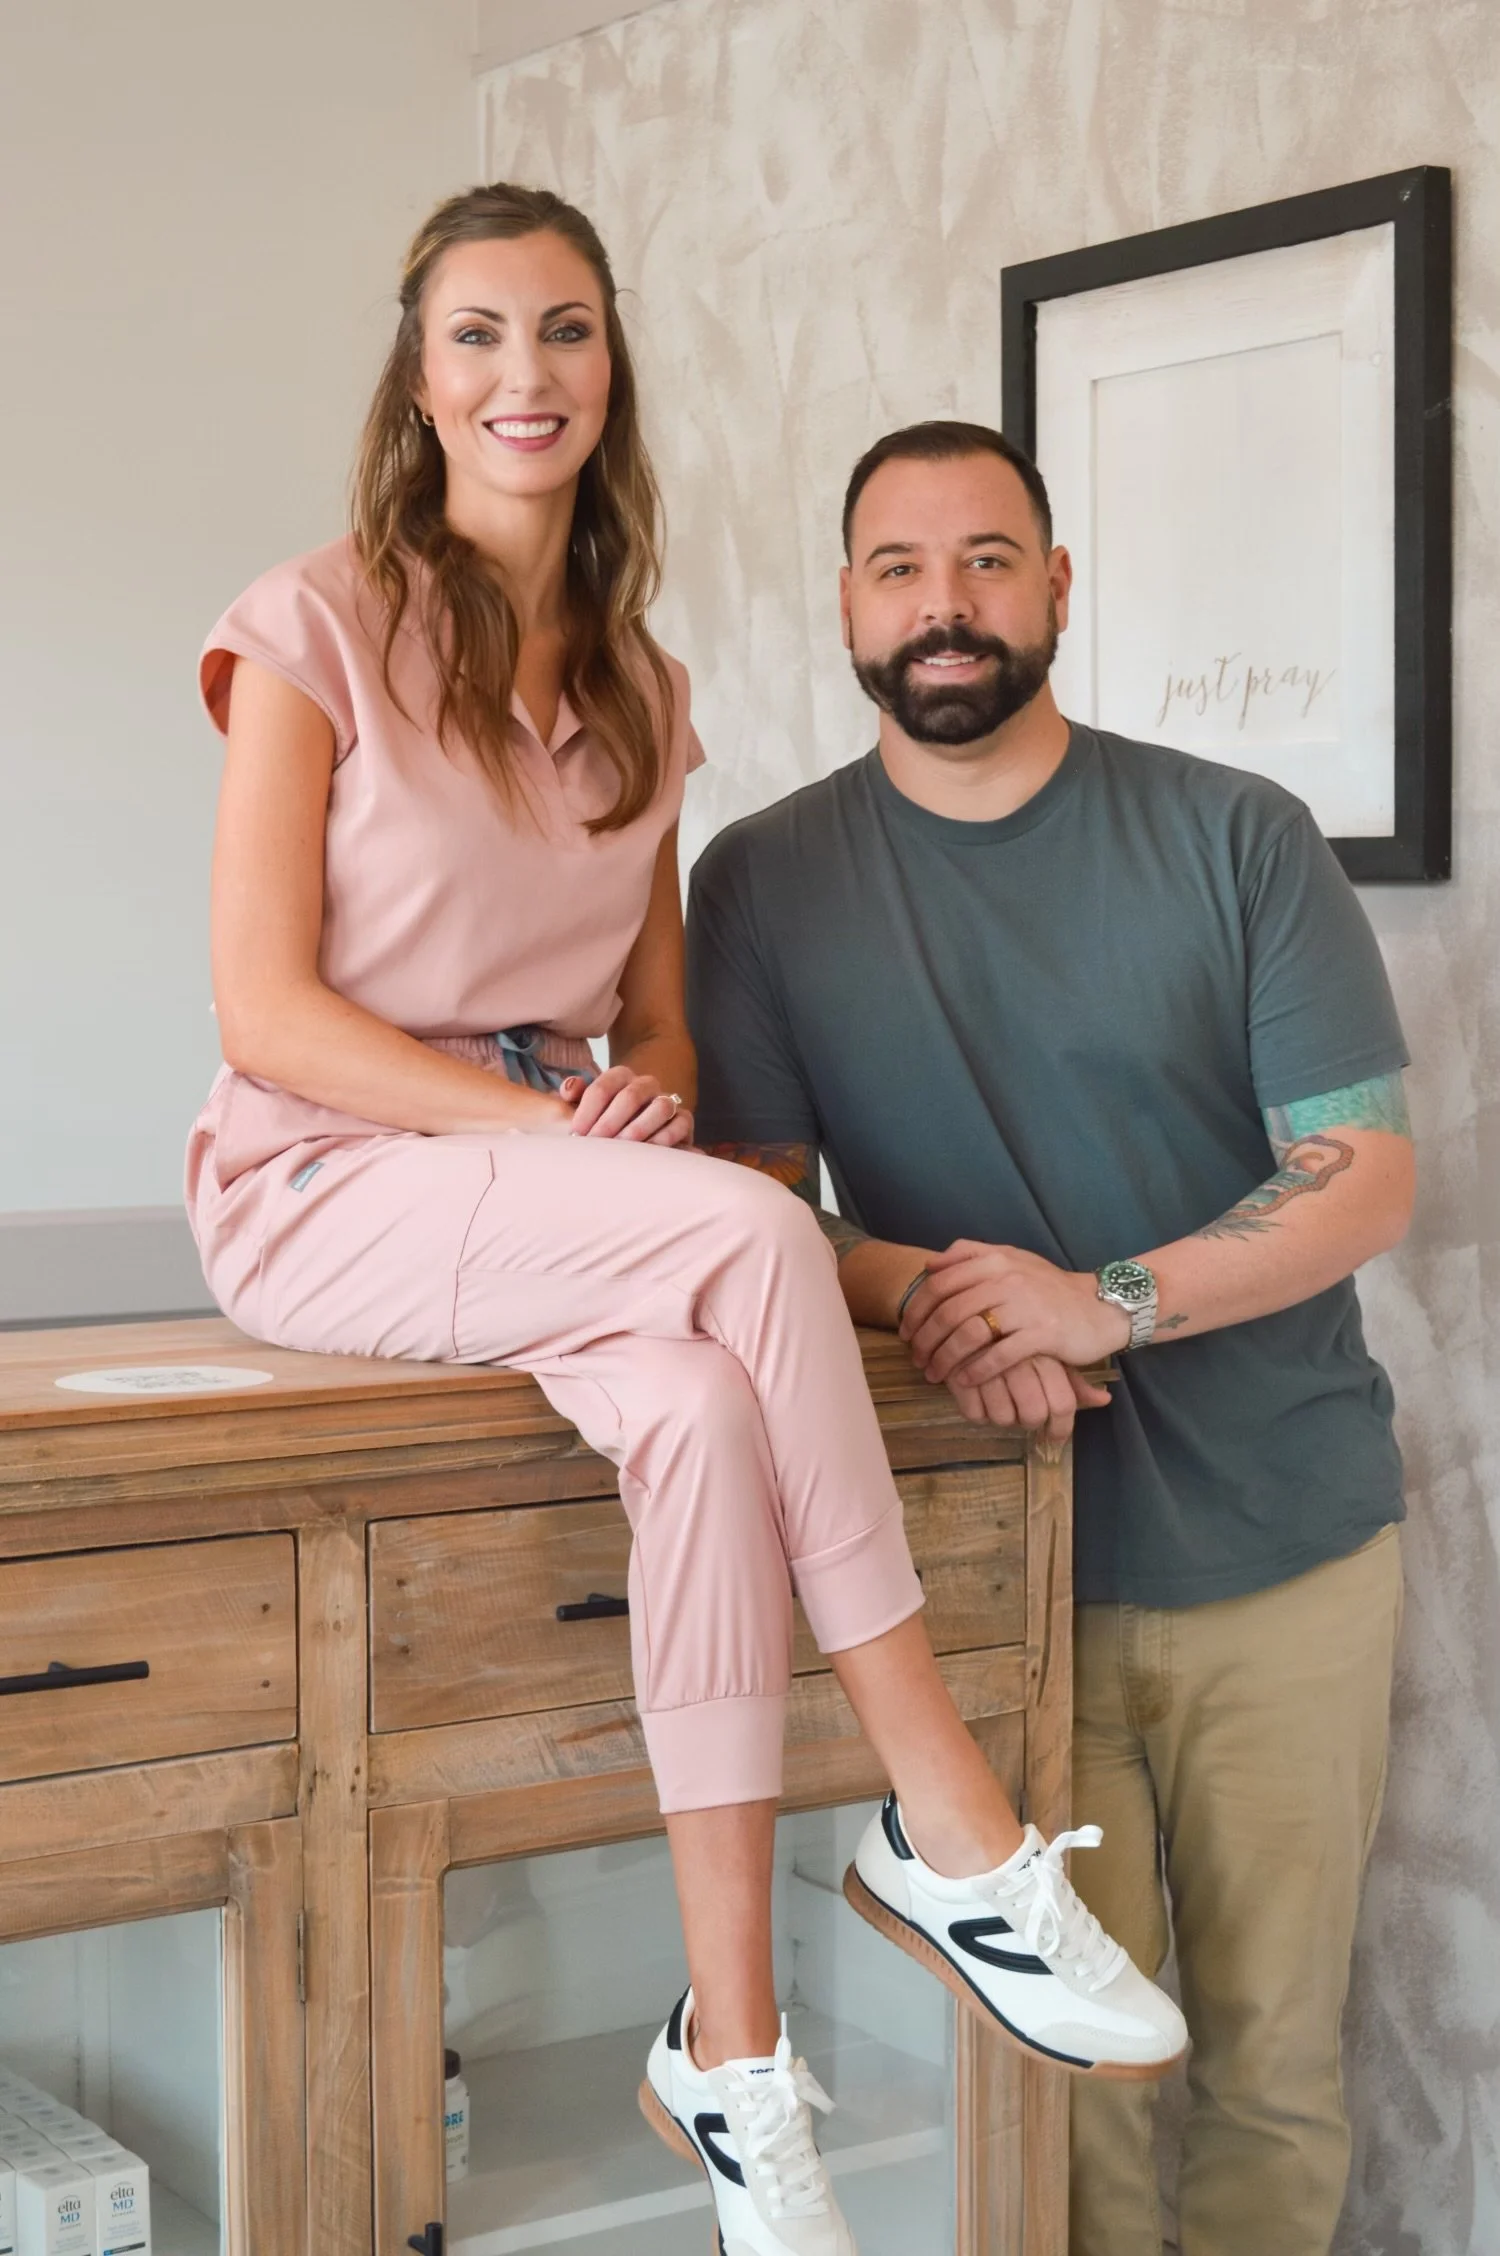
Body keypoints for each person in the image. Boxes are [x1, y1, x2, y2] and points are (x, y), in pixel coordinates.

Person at [186, 201, 1184, 2256]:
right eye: (478, 335)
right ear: (419, 379)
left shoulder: (642, 687)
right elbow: (264, 1013)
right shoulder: (307, 626)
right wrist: (560, 1127)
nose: (523, 374)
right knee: (748, 1232)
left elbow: (650, 1023)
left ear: (610, 367)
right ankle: (950, 1824)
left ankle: (731, 2056)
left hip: (540, 1198)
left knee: (710, 1415)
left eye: (564, 330)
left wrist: (627, 1097)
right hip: (318, 1183)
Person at [686, 419, 1413, 2256]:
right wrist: (943, 1300)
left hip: (1286, 1549)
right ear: (846, 606)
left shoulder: (1237, 834)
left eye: (988, 560)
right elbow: (748, 1216)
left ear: (1059, 588)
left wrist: (1101, 1300)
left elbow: (1363, 1177)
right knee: (1063, 2094)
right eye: (901, 568)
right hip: (992, 1583)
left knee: (1273, 2072)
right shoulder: (760, 883)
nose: (946, 605)